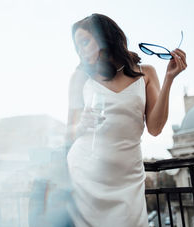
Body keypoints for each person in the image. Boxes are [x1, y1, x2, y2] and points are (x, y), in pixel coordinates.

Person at [66, 13, 187, 226]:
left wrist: (169, 78)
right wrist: (80, 125)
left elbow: (155, 128)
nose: (81, 51)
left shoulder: (146, 73)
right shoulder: (80, 78)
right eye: (78, 47)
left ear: (104, 37)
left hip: (128, 181)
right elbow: (69, 134)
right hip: (86, 179)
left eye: (85, 42)